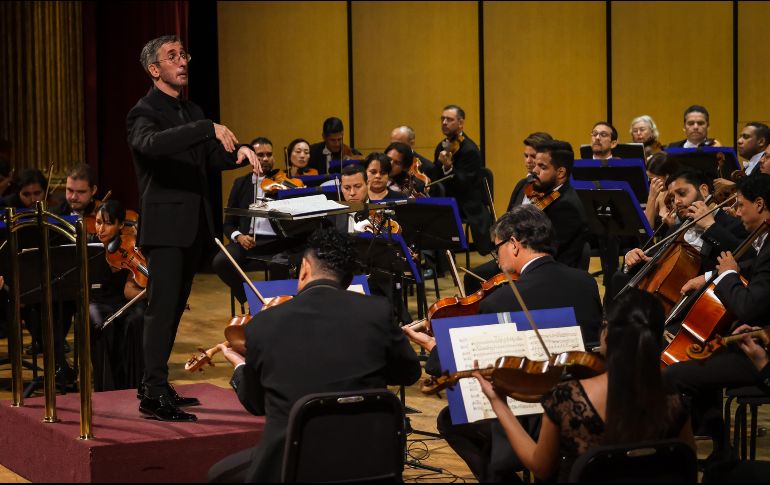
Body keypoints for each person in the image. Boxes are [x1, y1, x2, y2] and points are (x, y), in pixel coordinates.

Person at [404, 205, 603, 482]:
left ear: (514, 244)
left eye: (496, 248)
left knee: (451, 420)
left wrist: (432, 346)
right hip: (585, 403)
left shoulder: (501, 300)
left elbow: (467, 368)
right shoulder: (585, 282)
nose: (496, 257)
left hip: (532, 412)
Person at [207, 227, 421, 482]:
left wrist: (241, 367)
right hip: (369, 461)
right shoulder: (377, 311)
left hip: (293, 465)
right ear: (348, 277)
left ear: (305, 268)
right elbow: (409, 373)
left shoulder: (264, 325)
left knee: (218, 475)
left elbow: (256, 404)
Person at [127, 35, 257, 422]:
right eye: (172, 56)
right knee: (161, 311)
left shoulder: (191, 110)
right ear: (155, 70)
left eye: (184, 54)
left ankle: (156, 382)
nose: (183, 61)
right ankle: (151, 392)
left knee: (172, 311)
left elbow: (210, 158)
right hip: (165, 228)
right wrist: (206, 127)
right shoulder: (143, 112)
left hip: (191, 227)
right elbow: (152, 145)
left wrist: (240, 153)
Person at [475, 288, 694, 482]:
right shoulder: (674, 399)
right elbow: (687, 465)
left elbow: (540, 467)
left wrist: (499, 405)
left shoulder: (567, 397)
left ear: (608, 336)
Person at [665, 173, 770, 456]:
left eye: (741, 205)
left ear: (760, 204)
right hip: (752, 338)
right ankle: (721, 451)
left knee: (674, 375)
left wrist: (726, 277)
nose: (736, 212)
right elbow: (750, 267)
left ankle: (685, 456)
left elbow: (748, 306)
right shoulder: (765, 239)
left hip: (760, 353)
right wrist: (712, 275)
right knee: (696, 364)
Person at [465, 139, 588, 294]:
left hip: (544, 270)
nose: (534, 170)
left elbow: (546, 250)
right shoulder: (531, 188)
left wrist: (509, 253)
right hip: (519, 255)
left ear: (561, 172)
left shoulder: (568, 206)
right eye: (535, 164)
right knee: (473, 277)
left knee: (481, 283)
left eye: (542, 166)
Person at [611, 169, 748, 301]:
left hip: (702, 302)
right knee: (619, 277)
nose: (676, 202)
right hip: (666, 297)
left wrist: (709, 226)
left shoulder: (734, 225)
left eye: (682, 193)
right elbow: (651, 259)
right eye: (672, 197)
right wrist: (632, 258)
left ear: (704, 190)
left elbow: (747, 262)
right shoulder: (676, 229)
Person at [212, 137, 303, 307]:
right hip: (250, 242)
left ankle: (279, 307)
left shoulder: (283, 182)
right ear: (250, 157)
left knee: (280, 264)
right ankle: (252, 299)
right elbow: (228, 224)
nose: (266, 158)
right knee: (221, 261)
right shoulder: (240, 184)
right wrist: (239, 237)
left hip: (278, 242)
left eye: (269, 154)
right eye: (260, 155)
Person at [90, 200, 146, 391]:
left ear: (121, 225)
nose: (101, 229)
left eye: (108, 223)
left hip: (125, 300)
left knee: (137, 320)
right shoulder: (91, 246)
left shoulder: (130, 247)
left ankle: (134, 385)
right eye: (98, 222)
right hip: (98, 300)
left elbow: (129, 291)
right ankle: (107, 387)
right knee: (103, 325)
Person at [431, 105, 493, 255]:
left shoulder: (470, 149)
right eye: (442, 119)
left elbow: (464, 185)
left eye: (449, 119)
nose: (444, 122)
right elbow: (435, 176)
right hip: (447, 197)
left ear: (460, 123)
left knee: (436, 216)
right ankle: (436, 261)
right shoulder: (441, 145)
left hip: (465, 201)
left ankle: (440, 259)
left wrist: (448, 167)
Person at [644, 151, 681, 229]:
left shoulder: (680, 194)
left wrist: (672, 226)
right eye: (650, 179)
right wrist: (651, 197)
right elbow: (647, 228)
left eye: (655, 179)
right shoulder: (659, 194)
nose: (652, 183)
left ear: (668, 176)